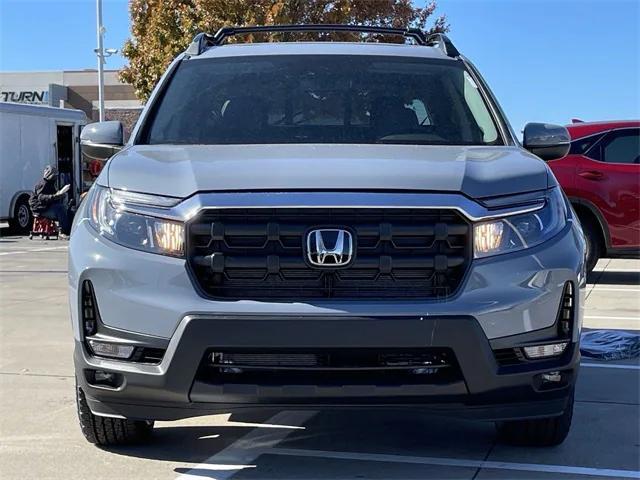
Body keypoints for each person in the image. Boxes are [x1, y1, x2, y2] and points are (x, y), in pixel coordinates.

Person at [29, 166, 71, 236]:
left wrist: (60, 194)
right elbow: (41, 197)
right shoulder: (43, 184)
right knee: (60, 209)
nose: (55, 178)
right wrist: (54, 196)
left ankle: (69, 229)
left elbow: (53, 196)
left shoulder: (51, 184)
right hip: (41, 209)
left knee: (69, 210)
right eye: (54, 176)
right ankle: (63, 231)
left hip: (46, 207)